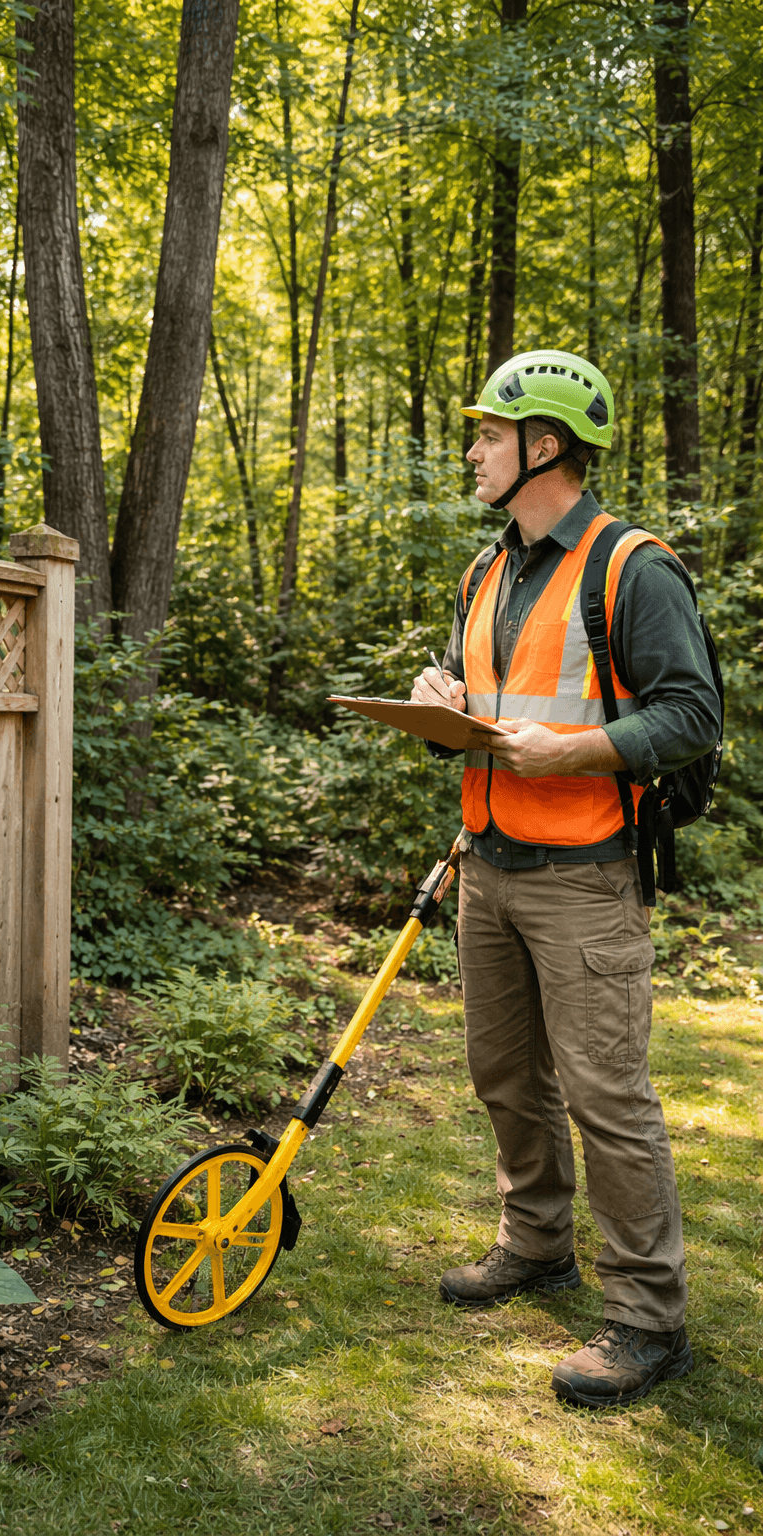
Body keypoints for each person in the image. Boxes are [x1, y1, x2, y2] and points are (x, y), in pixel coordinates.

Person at [410, 348, 721, 1408]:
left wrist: (572, 753)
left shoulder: (632, 567)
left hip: (585, 879)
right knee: (504, 1079)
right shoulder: (485, 570)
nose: (472, 449)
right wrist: (440, 703)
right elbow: (488, 712)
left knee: (607, 1099)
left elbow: (691, 716)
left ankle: (647, 1319)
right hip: (487, 870)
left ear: (544, 446)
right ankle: (535, 1245)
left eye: (489, 434)